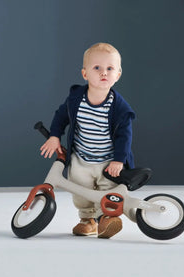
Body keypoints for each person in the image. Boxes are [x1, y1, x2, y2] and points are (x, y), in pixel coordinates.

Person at [40, 42, 136, 238]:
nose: (104, 73)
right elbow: (61, 116)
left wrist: (119, 160)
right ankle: (87, 220)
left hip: (108, 161)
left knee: (107, 190)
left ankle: (106, 219)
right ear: (85, 74)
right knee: (80, 190)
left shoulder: (119, 108)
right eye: (97, 68)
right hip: (81, 158)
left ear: (118, 75)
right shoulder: (76, 99)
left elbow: (124, 136)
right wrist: (54, 136)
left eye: (110, 69)